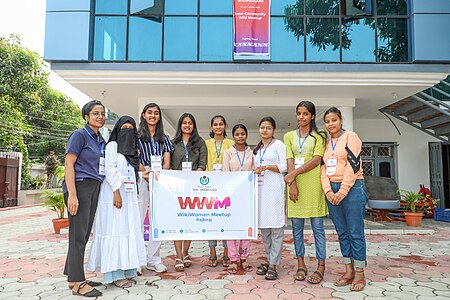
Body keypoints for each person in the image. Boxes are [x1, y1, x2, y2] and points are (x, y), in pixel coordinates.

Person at [87, 116, 146, 288]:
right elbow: (109, 169)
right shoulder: (112, 146)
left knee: (127, 230)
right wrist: (116, 192)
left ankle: (127, 270)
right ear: (118, 130)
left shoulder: (134, 150)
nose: (127, 130)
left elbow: (134, 171)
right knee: (115, 230)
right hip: (115, 194)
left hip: (129, 195)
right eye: (124, 127)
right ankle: (114, 274)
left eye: (130, 127)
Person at [321, 107, 367, 292]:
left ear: (341, 120)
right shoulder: (325, 142)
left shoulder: (351, 137)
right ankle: (348, 271)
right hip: (331, 189)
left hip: (352, 187)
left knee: (355, 232)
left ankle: (360, 273)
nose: (330, 124)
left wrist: (343, 190)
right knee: (342, 233)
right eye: (327, 121)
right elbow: (323, 168)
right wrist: (328, 191)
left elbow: (353, 165)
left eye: (334, 120)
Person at [63, 100, 105, 297]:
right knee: (78, 236)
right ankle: (79, 283)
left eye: (103, 114)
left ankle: (73, 277)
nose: (100, 117)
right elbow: (69, 164)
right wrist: (72, 194)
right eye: (96, 113)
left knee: (83, 234)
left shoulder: (100, 139)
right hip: (79, 187)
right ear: (86, 117)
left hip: (94, 187)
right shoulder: (80, 135)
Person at [284, 101, 327, 284]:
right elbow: (290, 159)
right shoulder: (289, 136)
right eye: (299, 113)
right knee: (296, 229)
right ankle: (301, 264)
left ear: (312, 116)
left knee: (318, 229)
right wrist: (293, 183)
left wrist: (293, 174)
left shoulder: (319, 137)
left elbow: (317, 160)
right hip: (295, 186)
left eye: (305, 114)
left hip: (314, 185)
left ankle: (320, 267)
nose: (301, 117)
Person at [137, 103, 174, 273]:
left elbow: (167, 163)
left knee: (157, 221)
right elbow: (134, 159)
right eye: (150, 113)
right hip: (141, 182)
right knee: (137, 220)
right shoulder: (135, 136)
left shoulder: (164, 138)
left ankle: (154, 259)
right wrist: (145, 173)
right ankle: (136, 260)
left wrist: (156, 175)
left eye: (156, 113)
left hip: (159, 183)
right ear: (144, 115)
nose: (153, 116)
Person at [170, 113, 207, 271]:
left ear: (194, 126)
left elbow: (203, 163)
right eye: (184, 123)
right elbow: (169, 163)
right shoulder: (173, 143)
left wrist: (197, 173)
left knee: (189, 221)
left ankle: (186, 253)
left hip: (193, 187)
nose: (187, 125)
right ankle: (178, 256)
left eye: (190, 123)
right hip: (177, 186)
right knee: (178, 221)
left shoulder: (199, 142)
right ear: (180, 125)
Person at [254, 117, 287, 280]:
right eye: (262, 127)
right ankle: (269, 259)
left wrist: (267, 167)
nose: (264, 130)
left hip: (275, 190)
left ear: (273, 130)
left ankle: (274, 264)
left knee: (276, 229)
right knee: (265, 229)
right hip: (261, 191)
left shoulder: (279, 145)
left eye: (268, 128)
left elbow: (285, 166)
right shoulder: (258, 149)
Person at [222, 124, 254, 274]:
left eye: (243, 134)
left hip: (247, 196)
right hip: (232, 196)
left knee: (245, 228)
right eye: (237, 134)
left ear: (246, 135)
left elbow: (253, 173)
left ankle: (244, 258)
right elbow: (225, 175)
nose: (240, 136)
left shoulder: (251, 153)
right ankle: (233, 259)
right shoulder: (228, 153)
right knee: (231, 228)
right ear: (233, 136)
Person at [205, 115, 234, 268]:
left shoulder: (231, 143)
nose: (218, 127)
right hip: (210, 187)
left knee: (225, 219)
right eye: (215, 124)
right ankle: (212, 252)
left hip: (226, 186)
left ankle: (226, 253)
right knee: (212, 220)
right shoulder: (206, 143)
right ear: (211, 127)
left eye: (221, 124)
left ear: (225, 126)